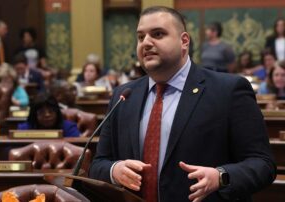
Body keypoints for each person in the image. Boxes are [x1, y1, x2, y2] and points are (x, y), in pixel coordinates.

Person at [89, 6, 275, 202]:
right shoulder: (124, 95)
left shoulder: (228, 90)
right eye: (140, 37)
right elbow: (98, 164)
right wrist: (114, 170)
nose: (146, 43)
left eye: (158, 34)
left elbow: (263, 165)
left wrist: (221, 176)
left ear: (184, 41)